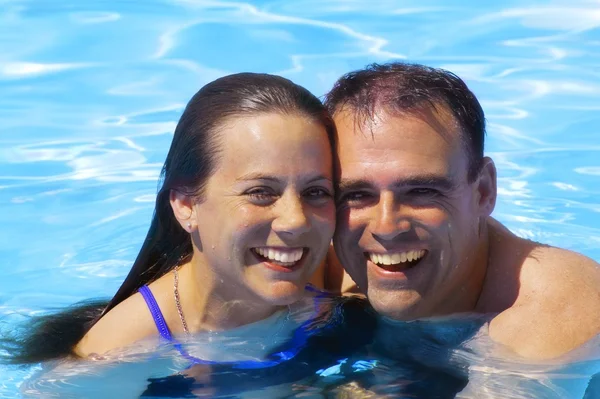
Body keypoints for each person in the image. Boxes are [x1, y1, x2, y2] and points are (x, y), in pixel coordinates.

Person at [2, 72, 339, 364]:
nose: (296, 221)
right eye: (260, 192)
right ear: (185, 205)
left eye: (316, 192)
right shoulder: (112, 357)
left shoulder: (334, 274)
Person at [323, 62, 600, 360]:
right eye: (356, 194)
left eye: (422, 191)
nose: (386, 227)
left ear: (483, 191)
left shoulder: (548, 310)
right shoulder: (321, 266)